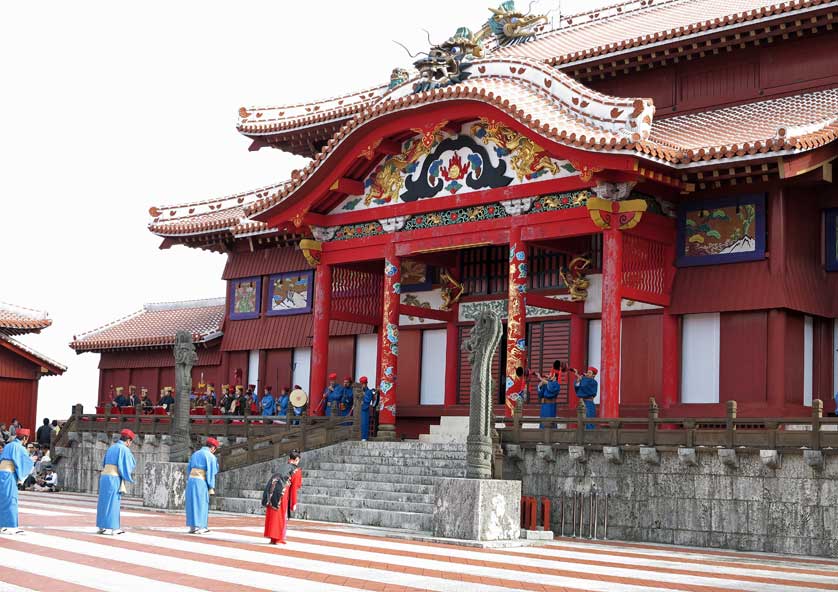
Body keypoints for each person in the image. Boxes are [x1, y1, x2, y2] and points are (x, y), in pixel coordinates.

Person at [96, 429, 136, 535]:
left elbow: (104, 462)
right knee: (114, 502)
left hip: (105, 476)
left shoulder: (111, 447)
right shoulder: (124, 449)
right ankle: (115, 528)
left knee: (103, 502)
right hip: (114, 477)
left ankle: (101, 526)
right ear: (128, 441)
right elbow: (129, 464)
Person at [262, 449, 302, 545]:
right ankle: (278, 538)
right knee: (280, 516)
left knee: (273, 514)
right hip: (283, 494)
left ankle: (273, 538)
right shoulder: (296, 470)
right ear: (296, 459)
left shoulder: (282, 466)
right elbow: (294, 488)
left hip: (272, 491)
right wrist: (293, 503)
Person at [0, 427, 33, 534]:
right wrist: (31, 461)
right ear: (25, 438)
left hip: (2, 472)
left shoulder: (8, 445)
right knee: (11, 499)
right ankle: (10, 526)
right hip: (9, 474)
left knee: (3, 499)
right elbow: (26, 464)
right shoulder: (20, 448)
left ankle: (3, 524)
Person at [185, 437, 219, 534]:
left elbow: (189, 468)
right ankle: (200, 527)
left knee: (191, 502)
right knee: (201, 503)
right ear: (212, 448)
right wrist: (211, 486)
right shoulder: (210, 456)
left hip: (191, 480)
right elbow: (211, 472)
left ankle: (192, 526)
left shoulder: (195, 453)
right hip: (201, 481)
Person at [535, 360, 563, 426]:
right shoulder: (546, 383)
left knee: (549, 423)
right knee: (542, 423)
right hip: (544, 406)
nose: (549, 375)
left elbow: (552, 389)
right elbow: (540, 395)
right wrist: (540, 385)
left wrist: (541, 379)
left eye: (551, 374)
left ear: (554, 376)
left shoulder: (557, 385)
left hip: (551, 406)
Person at [359, 377, 377, 441]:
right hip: (358, 409)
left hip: (365, 409)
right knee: (359, 423)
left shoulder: (369, 391)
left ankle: (364, 437)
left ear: (366, 384)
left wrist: (364, 395)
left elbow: (368, 400)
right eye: (361, 384)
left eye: (363, 384)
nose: (362, 385)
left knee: (364, 423)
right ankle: (359, 436)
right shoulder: (359, 390)